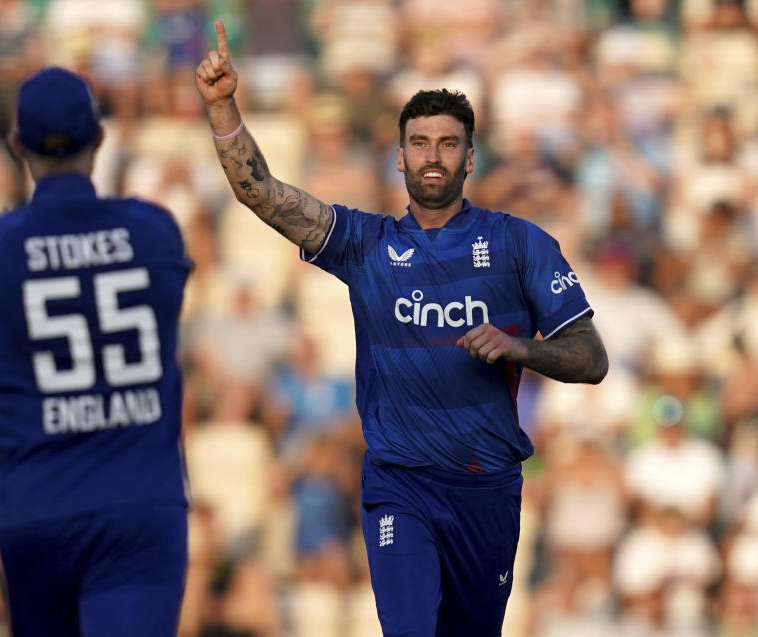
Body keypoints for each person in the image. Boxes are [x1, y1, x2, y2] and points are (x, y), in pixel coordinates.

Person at [196, 22, 609, 637]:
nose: (433, 155)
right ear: (399, 157)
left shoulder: (518, 243)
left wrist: (518, 345)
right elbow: (266, 197)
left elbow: (592, 357)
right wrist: (224, 105)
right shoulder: (367, 244)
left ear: (470, 157)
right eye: (419, 142)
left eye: (447, 143)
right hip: (400, 484)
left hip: (487, 486)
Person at [0, 67, 191, 637]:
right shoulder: (155, 229)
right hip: (140, 500)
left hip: (38, 506)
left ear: (16, 145)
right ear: (99, 138)